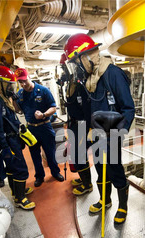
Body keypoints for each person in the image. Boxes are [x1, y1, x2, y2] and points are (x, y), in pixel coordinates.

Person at [64, 33, 135, 224]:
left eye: (76, 61)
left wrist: (118, 132)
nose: (77, 66)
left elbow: (128, 108)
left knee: (114, 170)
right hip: (95, 134)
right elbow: (86, 110)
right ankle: (105, 200)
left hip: (112, 133)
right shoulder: (88, 80)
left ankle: (123, 206)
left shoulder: (113, 74)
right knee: (100, 169)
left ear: (86, 56)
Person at [0, 65, 35, 210]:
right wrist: (5, 148)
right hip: (7, 141)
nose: (12, 87)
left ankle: (17, 190)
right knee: (20, 168)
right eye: (9, 84)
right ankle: (19, 198)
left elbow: (9, 119)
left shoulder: (3, 99)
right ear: (0, 83)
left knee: (13, 169)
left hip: (13, 138)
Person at [14, 68, 64, 187]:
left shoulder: (43, 90)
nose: (23, 84)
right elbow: (18, 110)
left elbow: (53, 107)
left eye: (25, 80)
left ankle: (55, 172)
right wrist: (13, 100)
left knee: (50, 153)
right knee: (35, 155)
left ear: (29, 77)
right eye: (20, 82)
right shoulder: (20, 94)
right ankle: (39, 176)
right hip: (31, 129)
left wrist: (44, 114)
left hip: (45, 127)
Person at [59, 53, 93, 196]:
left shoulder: (81, 85)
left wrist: (89, 129)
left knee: (80, 155)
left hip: (81, 126)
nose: (64, 71)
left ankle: (87, 184)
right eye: (63, 68)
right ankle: (83, 178)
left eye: (65, 67)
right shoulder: (70, 85)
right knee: (76, 154)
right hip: (74, 125)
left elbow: (86, 109)